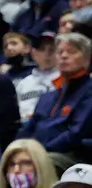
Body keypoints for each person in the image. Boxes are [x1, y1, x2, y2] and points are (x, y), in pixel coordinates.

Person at [18, 32, 92, 169]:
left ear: (87, 59)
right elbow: (29, 128)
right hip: (40, 154)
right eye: (60, 52)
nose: (64, 56)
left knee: (40, 164)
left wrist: (38, 153)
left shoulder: (89, 92)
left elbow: (74, 134)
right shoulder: (48, 96)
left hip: (74, 157)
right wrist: (16, 149)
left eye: (71, 52)